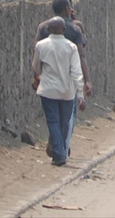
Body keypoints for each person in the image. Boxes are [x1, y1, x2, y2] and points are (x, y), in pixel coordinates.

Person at [32, 17, 85, 166]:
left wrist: (40, 75)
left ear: (48, 30)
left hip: (48, 90)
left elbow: (36, 66)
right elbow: (76, 71)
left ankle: (59, 154)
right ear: (64, 30)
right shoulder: (71, 47)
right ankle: (61, 152)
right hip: (67, 91)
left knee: (53, 122)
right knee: (64, 122)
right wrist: (80, 95)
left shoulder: (41, 46)